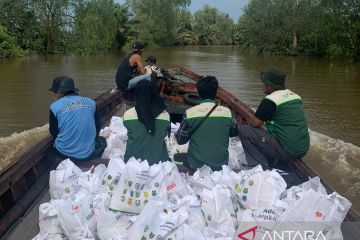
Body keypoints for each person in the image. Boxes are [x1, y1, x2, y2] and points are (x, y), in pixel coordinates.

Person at [238, 67, 310, 170]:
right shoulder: (295, 96)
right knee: (267, 130)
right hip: (303, 149)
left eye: (264, 84)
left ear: (271, 86)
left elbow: (255, 123)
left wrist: (249, 120)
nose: (263, 86)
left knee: (245, 130)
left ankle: (259, 167)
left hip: (288, 151)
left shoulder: (271, 100)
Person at [175, 76, 238, 171]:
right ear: (216, 93)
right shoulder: (228, 113)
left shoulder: (190, 113)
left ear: (198, 93)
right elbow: (233, 133)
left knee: (178, 157)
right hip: (221, 165)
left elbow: (180, 141)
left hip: (196, 165)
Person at [49, 76, 107, 160]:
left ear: (60, 92)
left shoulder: (54, 106)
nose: (55, 97)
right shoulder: (91, 102)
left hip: (65, 154)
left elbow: (53, 131)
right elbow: (97, 127)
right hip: (89, 153)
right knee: (102, 141)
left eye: (55, 93)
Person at [123, 80, 170, 165]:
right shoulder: (166, 115)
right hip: (158, 162)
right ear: (154, 93)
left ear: (136, 93)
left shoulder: (127, 114)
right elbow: (164, 134)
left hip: (132, 162)